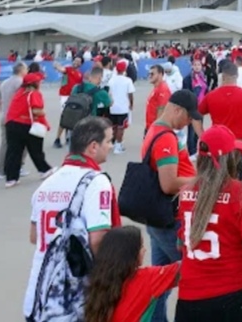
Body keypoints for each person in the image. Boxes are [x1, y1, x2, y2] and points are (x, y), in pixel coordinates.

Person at [24, 117, 119, 322]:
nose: (111, 146)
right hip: (74, 296)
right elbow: (98, 239)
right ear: (93, 146)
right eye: (109, 141)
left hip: (39, 292)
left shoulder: (47, 183)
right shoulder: (96, 182)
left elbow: (35, 236)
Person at [176, 125, 242, 322]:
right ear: (229, 158)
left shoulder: (185, 192)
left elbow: (180, 244)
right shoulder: (241, 193)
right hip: (236, 293)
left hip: (192, 297)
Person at [141, 89, 204, 322]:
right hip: (171, 218)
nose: (188, 122)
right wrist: (201, 180)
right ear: (177, 110)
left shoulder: (155, 130)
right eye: (188, 116)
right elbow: (168, 183)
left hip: (158, 217)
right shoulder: (166, 137)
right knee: (194, 274)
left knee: (160, 281)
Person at [83, 226, 180, 322]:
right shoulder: (146, 279)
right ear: (131, 254)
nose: (145, 250)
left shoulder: (98, 281)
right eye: (141, 246)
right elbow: (182, 270)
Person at [197, 59, 242, 180]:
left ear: (222, 77)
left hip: (219, 148)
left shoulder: (211, 96)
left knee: (220, 184)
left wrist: (202, 135)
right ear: (236, 76)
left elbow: (196, 116)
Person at [3, 65, 55, 188]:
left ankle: (11, 178)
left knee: (13, 152)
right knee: (35, 149)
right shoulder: (34, 94)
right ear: (35, 83)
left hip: (12, 123)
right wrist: (43, 113)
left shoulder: (20, 93)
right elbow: (36, 111)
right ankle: (44, 169)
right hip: (26, 124)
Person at [0, 62, 26, 180]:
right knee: (21, 144)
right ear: (21, 70)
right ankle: (18, 166)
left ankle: (1, 170)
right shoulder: (21, 83)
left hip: (5, 116)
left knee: (5, 144)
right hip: (17, 117)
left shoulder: (4, 83)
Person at [52, 56, 85, 148]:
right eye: (75, 60)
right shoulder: (68, 69)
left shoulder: (80, 74)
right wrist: (56, 65)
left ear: (81, 64)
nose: (76, 62)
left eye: (78, 61)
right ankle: (57, 139)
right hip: (65, 96)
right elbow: (61, 69)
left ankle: (68, 137)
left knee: (72, 117)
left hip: (74, 97)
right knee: (65, 116)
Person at [107, 59, 135, 154]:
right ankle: (118, 146)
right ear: (124, 69)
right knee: (121, 127)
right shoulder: (127, 80)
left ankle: (113, 143)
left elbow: (109, 93)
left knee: (114, 127)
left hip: (112, 107)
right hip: (123, 107)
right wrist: (131, 104)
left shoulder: (111, 80)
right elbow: (130, 94)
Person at [144, 63, 173, 134]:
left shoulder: (163, 89)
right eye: (149, 74)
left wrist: (157, 129)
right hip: (150, 126)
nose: (150, 76)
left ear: (160, 74)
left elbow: (162, 111)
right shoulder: (157, 88)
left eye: (152, 74)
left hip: (155, 129)